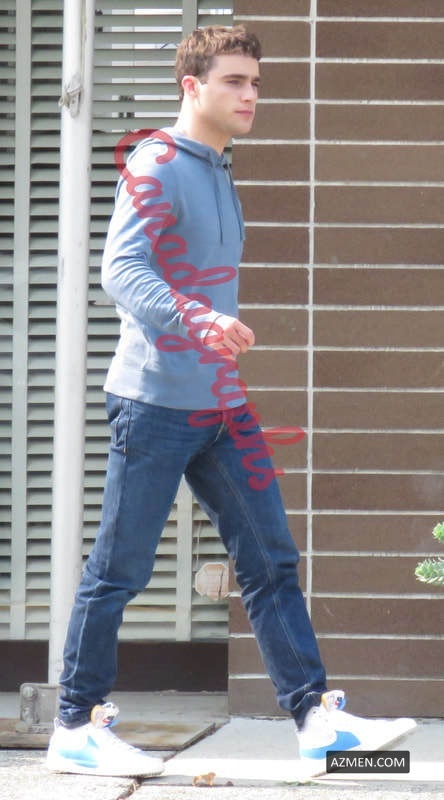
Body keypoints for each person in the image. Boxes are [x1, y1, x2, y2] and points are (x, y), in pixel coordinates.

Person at [47, 25, 416, 779]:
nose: (250, 96)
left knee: (270, 558)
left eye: (255, 83)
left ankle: (315, 721)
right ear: (192, 85)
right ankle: (75, 727)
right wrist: (198, 317)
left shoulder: (216, 168)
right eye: (234, 82)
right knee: (120, 568)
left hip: (221, 405)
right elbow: (121, 269)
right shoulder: (157, 164)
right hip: (154, 403)